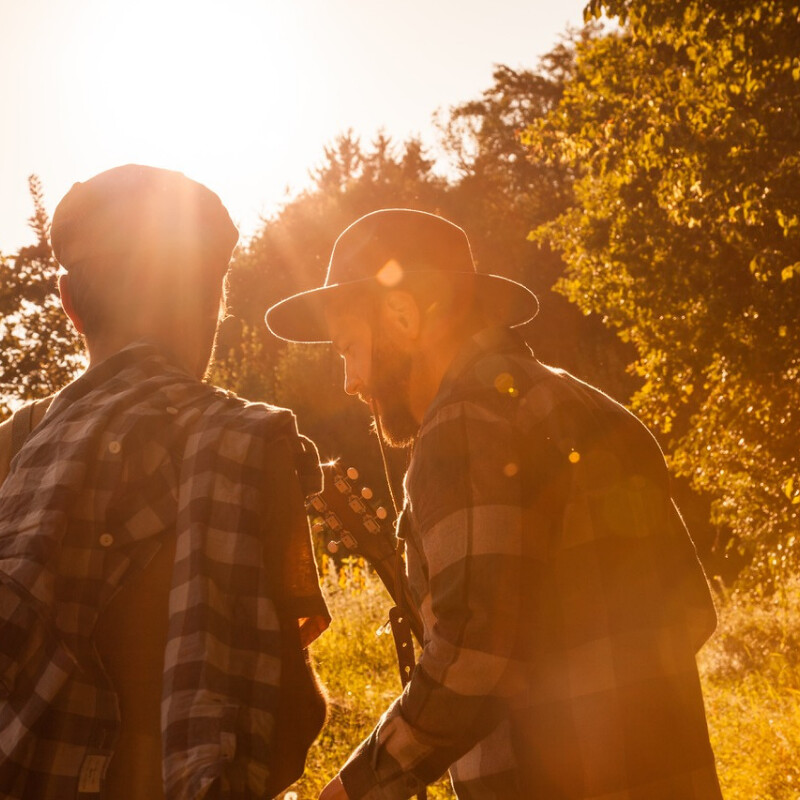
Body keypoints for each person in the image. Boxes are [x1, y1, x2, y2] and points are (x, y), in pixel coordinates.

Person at [266, 208, 723, 800]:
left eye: (348, 347)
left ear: (402, 316)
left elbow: (472, 661)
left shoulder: (466, 420)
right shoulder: (597, 410)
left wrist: (353, 792)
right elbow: (692, 613)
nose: (350, 381)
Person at [0, 164, 329, 800]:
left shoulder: (12, 448)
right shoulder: (250, 441)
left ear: (70, 305)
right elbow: (288, 717)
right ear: (213, 301)